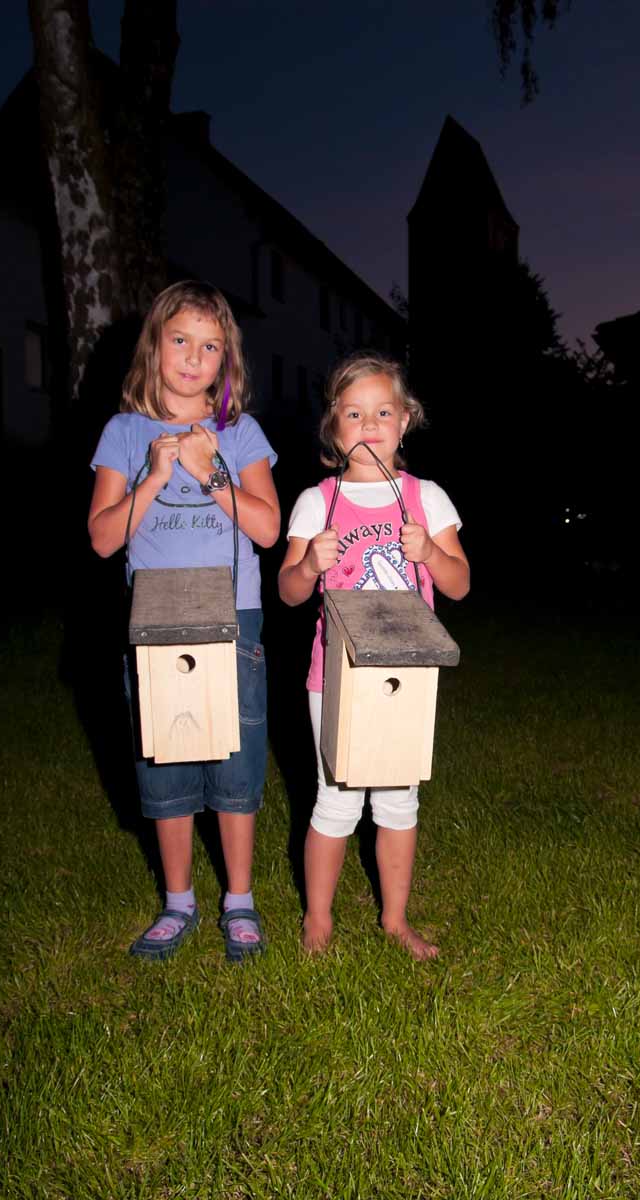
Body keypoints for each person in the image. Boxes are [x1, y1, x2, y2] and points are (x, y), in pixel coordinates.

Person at [89, 280, 279, 962]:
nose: (194, 358)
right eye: (180, 340)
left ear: (227, 360)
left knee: (235, 758)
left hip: (233, 614)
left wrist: (211, 474)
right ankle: (178, 901)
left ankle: (239, 900)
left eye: (210, 346)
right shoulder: (123, 432)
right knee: (165, 760)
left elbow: (267, 528)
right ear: (155, 346)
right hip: (156, 618)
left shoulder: (240, 432)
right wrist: (151, 478)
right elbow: (103, 539)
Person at [278, 352, 469, 959]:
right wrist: (309, 564)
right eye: (354, 413)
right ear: (334, 426)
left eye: (383, 412)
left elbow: (460, 585)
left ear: (405, 421)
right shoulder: (318, 501)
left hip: (405, 680)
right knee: (335, 799)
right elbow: (288, 592)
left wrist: (430, 554)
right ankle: (318, 919)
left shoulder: (426, 497)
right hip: (334, 680)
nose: (369, 425)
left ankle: (395, 919)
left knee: (397, 800)